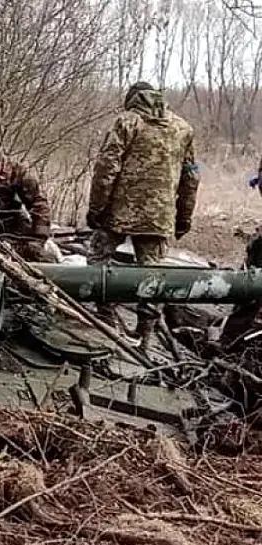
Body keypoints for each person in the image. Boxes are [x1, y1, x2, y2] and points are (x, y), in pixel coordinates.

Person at [86, 81, 200, 348]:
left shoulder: (126, 122)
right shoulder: (183, 129)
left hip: (118, 211)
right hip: (159, 216)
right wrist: (183, 218)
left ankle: (106, 318)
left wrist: (96, 208)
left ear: (132, 99)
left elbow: (106, 167)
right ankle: (144, 334)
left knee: (98, 260)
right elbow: (191, 178)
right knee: (154, 273)